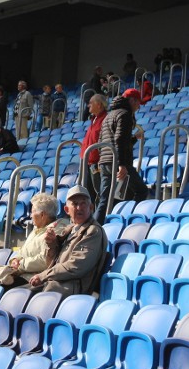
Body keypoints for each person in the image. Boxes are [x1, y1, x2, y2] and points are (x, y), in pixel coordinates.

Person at [28, 186, 107, 297]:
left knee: (31, 295)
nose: (79, 207)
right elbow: (51, 262)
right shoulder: (69, 229)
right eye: (74, 204)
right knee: (16, 292)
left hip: (73, 288)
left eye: (83, 203)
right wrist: (52, 244)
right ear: (66, 210)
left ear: (91, 207)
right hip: (57, 282)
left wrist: (43, 275)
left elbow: (76, 266)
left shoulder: (93, 231)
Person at [95, 89, 148, 223]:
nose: (139, 106)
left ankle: (96, 227)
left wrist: (134, 138)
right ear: (132, 101)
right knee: (141, 190)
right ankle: (131, 221)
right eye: (138, 103)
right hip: (117, 161)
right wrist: (121, 164)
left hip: (105, 161)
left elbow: (102, 140)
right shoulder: (125, 114)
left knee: (105, 200)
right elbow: (119, 140)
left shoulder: (109, 116)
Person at [7, 193, 69, 286]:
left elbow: (46, 259)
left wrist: (20, 264)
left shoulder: (56, 229)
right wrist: (15, 259)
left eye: (33, 212)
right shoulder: (37, 229)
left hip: (34, 279)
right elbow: (23, 251)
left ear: (42, 215)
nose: (31, 216)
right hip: (22, 274)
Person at [81, 94, 108, 201]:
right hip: (87, 162)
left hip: (97, 164)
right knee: (88, 195)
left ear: (99, 104)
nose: (88, 105)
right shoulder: (94, 119)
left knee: (98, 194)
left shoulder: (105, 119)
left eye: (91, 103)